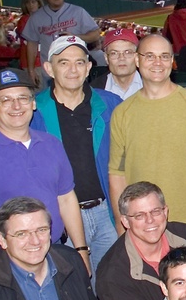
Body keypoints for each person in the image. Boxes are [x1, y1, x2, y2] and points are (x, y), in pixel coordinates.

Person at [0, 67, 90, 279]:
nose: (15, 106)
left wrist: (81, 251)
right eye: (5, 100)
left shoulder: (51, 145)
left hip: (52, 251)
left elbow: (67, 199)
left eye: (22, 97)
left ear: (33, 103)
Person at [108, 33, 186, 227]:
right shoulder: (122, 113)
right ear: (137, 60)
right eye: (150, 56)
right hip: (143, 226)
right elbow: (117, 173)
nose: (157, 62)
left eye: (164, 56)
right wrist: (121, 225)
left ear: (172, 61)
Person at [31, 35, 120, 274]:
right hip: (59, 219)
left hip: (107, 214)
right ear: (49, 68)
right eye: (63, 63)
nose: (73, 70)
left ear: (89, 67)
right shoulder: (32, 111)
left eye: (79, 62)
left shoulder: (111, 105)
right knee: (72, 294)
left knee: (111, 289)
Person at [21, 0, 100, 86]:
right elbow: (32, 44)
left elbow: (95, 35)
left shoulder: (78, 12)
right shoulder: (36, 17)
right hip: (50, 73)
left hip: (76, 72)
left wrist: (76, 37)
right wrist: (31, 70)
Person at [99, 28, 143, 101]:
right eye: (114, 53)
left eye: (127, 52)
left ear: (137, 57)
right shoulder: (93, 90)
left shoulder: (154, 86)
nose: (121, 58)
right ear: (106, 58)